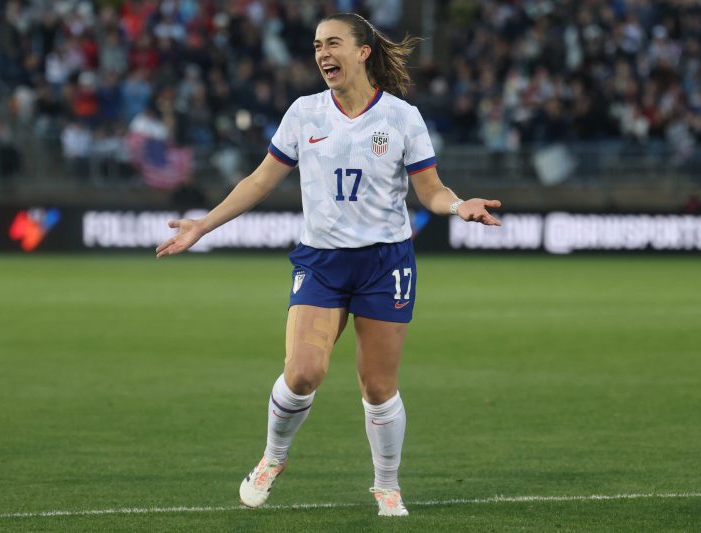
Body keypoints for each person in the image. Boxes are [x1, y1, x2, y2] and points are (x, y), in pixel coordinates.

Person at [155, 12, 502, 517]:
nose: (322, 53)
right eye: (317, 45)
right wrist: (203, 225)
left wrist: (456, 205)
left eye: (333, 43)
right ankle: (273, 458)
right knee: (302, 372)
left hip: (385, 262)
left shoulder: (402, 117)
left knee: (378, 387)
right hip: (322, 260)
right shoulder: (304, 113)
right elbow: (259, 180)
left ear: (362, 52)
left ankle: (387, 486)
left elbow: (430, 189)